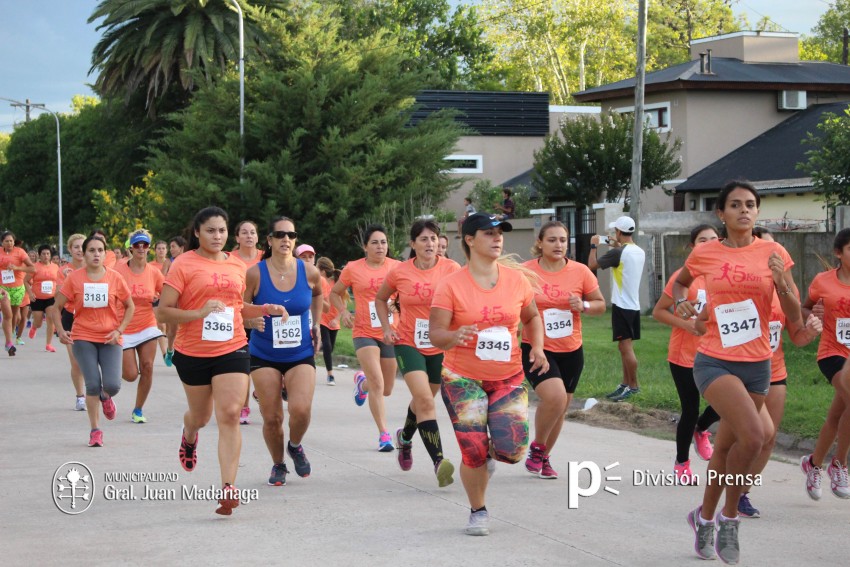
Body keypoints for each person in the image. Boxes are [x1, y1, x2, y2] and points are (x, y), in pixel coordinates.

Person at [674, 181, 800, 564]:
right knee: (757, 435)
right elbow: (680, 283)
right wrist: (683, 305)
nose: (744, 210)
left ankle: (704, 517)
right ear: (721, 213)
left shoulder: (775, 252)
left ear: (757, 212)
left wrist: (782, 284)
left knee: (729, 448)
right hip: (714, 359)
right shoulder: (706, 253)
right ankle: (730, 519)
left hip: (758, 363)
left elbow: (794, 312)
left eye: (750, 204)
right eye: (735, 205)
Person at [157, 206, 285, 515]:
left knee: (229, 413)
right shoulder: (183, 264)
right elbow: (163, 311)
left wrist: (264, 309)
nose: (217, 235)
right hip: (193, 351)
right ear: (197, 233)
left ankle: (228, 487)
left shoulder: (237, 265)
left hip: (233, 347)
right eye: (211, 230)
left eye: (222, 230)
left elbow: (235, 307)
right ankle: (189, 434)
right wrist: (198, 313)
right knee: (200, 417)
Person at [429, 212, 549, 536]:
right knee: (472, 449)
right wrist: (454, 337)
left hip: (508, 376)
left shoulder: (516, 281)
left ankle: (491, 455)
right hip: (461, 378)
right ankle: (478, 510)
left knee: (513, 450)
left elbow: (532, 317)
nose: (498, 238)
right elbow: (435, 333)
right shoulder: (451, 285)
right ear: (469, 240)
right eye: (489, 233)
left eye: (500, 233)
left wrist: (537, 347)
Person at [736, 227, 822, 517]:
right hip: (738, 370)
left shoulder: (788, 291)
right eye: (764, 251)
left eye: (776, 252)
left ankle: (741, 493)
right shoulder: (742, 285)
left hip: (774, 369)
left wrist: (809, 332)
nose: (772, 257)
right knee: (751, 435)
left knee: (768, 439)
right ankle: (723, 491)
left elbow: (796, 336)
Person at [375, 219, 460, 487]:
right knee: (424, 400)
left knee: (423, 401)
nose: (430, 244)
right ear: (413, 244)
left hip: (440, 344)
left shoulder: (452, 269)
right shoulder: (400, 272)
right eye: (423, 239)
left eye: (434, 239)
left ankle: (405, 438)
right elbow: (380, 298)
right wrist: (387, 327)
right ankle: (439, 462)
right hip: (408, 342)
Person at [521, 221, 605, 479]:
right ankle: (537, 446)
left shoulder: (580, 272)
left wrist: (584, 306)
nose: (558, 245)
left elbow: (600, 304)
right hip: (536, 348)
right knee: (554, 398)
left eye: (562, 240)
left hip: (571, 349)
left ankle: (543, 456)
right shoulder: (525, 272)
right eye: (552, 240)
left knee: (560, 408)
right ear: (540, 242)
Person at [245, 216, 323, 485]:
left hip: (300, 352)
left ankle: (295, 445)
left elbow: (318, 294)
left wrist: (317, 325)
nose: (286, 240)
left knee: (301, 409)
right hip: (264, 353)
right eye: (279, 235)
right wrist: (250, 320)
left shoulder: (309, 271)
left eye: (291, 235)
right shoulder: (256, 273)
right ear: (269, 240)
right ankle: (278, 464)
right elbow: (241, 308)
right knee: (272, 417)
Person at [48, 235, 135, 447]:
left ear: (106, 254)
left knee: (113, 385)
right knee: (93, 384)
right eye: (91, 250)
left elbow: (130, 306)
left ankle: (106, 397)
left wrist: (119, 330)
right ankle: (95, 430)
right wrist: (60, 331)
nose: (96, 254)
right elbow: (55, 308)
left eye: (100, 250)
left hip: (110, 337)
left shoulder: (115, 278)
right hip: (83, 336)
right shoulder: (74, 278)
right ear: (84, 254)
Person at [652, 225, 723, 484]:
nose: (708, 244)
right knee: (690, 409)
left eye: (714, 239)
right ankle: (682, 463)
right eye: (702, 240)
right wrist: (686, 323)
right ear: (692, 247)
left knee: (725, 403)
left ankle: (701, 430)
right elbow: (659, 311)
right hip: (685, 355)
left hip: (718, 352)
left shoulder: (726, 275)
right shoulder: (682, 278)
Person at [331, 224, 401, 451]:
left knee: (387, 388)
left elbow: (405, 295)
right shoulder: (353, 268)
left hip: (389, 331)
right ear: (365, 246)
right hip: (364, 331)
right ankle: (384, 434)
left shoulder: (397, 268)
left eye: (383, 242)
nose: (380, 246)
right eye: (375, 242)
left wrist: (395, 304)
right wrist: (343, 312)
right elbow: (334, 292)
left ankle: (362, 384)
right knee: (378, 382)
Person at [799, 227, 850, 501]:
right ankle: (839, 465)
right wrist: (812, 315)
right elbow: (805, 307)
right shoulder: (823, 281)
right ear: (838, 253)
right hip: (832, 352)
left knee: (837, 414)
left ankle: (814, 464)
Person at [588, 215, 645, 402]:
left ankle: (634, 386)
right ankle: (625, 383)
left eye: (615, 232)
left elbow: (592, 265)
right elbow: (624, 257)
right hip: (633, 306)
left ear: (619, 232)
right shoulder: (638, 251)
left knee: (626, 348)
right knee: (624, 347)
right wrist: (616, 245)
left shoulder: (618, 253)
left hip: (622, 306)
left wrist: (593, 246)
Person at [115, 230, 165, 424]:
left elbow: (166, 293)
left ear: (149, 248)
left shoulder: (154, 272)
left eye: (145, 245)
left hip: (147, 324)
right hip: (124, 326)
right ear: (131, 248)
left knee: (148, 366)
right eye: (137, 245)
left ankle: (138, 409)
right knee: (129, 375)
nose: (141, 249)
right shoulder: (119, 271)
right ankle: (111, 371)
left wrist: (162, 300)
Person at [232, 220, 262, 425]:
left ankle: (261, 390)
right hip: (239, 315)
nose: (249, 236)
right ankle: (244, 407)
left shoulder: (265, 258)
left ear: (258, 237)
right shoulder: (230, 259)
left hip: (263, 315)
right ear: (237, 238)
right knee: (245, 363)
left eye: (253, 232)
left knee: (263, 361)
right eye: (244, 232)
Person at [57, 234, 87, 409]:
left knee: (93, 360)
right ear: (70, 250)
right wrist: (67, 280)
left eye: (82, 246)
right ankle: (80, 396)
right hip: (70, 316)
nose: (79, 250)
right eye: (75, 247)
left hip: (91, 317)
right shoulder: (63, 271)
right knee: (76, 361)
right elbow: (56, 299)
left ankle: (95, 390)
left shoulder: (94, 268)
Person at [1, 230, 36, 354]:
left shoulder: (20, 252)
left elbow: (32, 268)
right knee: (8, 315)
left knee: (15, 316)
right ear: (2, 242)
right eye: (7, 241)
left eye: (11, 241)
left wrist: (17, 268)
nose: (9, 243)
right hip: (3, 288)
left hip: (18, 288)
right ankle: (9, 343)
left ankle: (10, 337)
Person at [25, 244, 60, 352]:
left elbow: (58, 281)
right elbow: (25, 281)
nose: (46, 256)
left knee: (50, 318)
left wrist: (58, 294)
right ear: (39, 255)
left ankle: (48, 344)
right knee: (39, 322)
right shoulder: (34, 267)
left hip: (51, 297)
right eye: (43, 254)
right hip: (37, 298)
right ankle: (34, 327)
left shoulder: (55, 267)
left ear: (50, 255)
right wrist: (30, 293)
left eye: (48, 254)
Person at [162, 236, 187, 367]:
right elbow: (162, 277)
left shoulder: (189, 260)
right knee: (172, 330)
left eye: (173, 247)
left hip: (187, 299)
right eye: (170, 247)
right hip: (173, 298)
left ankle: (185, 353)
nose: (171, 249)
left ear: (181, 248)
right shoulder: (168, 261)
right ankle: (170, 350)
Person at [317, 257, 340, 386]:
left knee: (329, 348)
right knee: (327, 345)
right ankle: (330, 375)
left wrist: (337, 319)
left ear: (323, 272)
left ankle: (314, 351)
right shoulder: (318, 282)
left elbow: (343, 304)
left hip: (334, 320)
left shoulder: (336, 283)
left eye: (317, 268)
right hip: (323, 319)